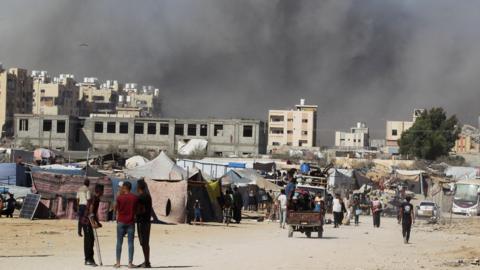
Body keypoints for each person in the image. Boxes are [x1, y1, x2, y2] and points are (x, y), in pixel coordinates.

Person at [114, 182, 138, 268]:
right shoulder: (135, 198)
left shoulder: (119, 197)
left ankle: (118, 263)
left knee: (119, 242)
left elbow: (115, 208)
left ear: (124, 187)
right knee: (130, 243)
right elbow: (138, 209)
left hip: (121, 222)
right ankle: (130, 263)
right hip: (131, 222)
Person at [80, 184, 104, 267]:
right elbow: (90, 212)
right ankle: (88, 259)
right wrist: (93, 223)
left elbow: (93, 212)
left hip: (89, 221)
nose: (103, 193)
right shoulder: (94, 199)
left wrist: (97, 222)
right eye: (102, 191)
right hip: (87, 222)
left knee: (91, 240)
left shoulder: (96, 198)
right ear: (100, 191)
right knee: (88, 241)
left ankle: (90, 258)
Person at [136, 180, 152, 268]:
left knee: (144, 242)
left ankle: (146, 262)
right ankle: (147, 261)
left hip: (142, 222)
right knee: (145, 242)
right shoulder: (148, 196)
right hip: (147, 221)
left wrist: (135, 214)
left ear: (138, 187)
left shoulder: (141, 197)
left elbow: (141, 210)